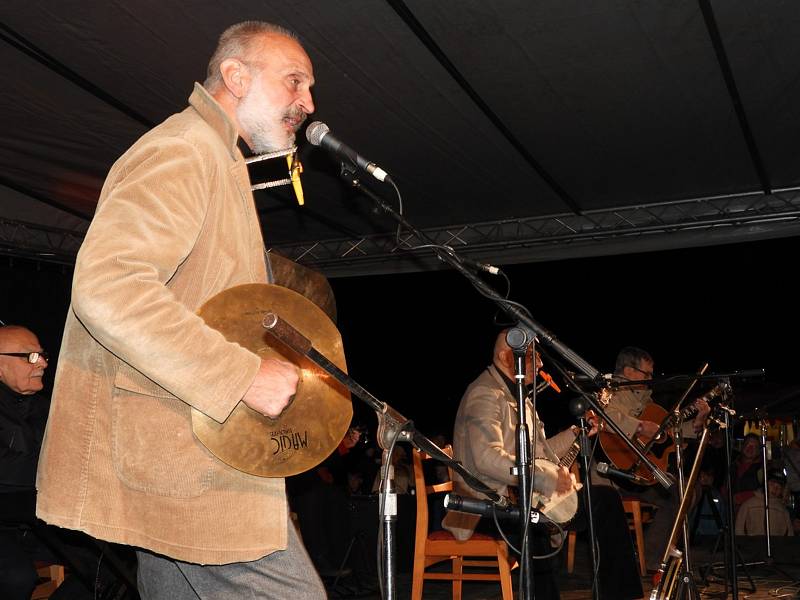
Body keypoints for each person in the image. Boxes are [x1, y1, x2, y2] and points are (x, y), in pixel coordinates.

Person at [35, 21, 326, 599]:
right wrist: (242, 374)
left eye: (310, 88)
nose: (308, 102)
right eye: (295, 80)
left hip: (180, 452)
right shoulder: (184, 149)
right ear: (236, 76)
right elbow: (109, 286)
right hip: (184, 462)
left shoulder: (217, 158)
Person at [443, 330, 643, 600]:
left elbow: (539, 452)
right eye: (533, 358)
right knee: (534, 524)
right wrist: (545, 479)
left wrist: (575, 433)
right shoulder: (484, 393)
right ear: (506, 357)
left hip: (516, 497)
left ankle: (619, 594)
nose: (539, 365)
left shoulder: (519, 397)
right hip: (483, 505)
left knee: (604, 499)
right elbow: (487, 459)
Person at [601, 346, 709, 572]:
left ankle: (662, 557)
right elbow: (605, 417)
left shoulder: (648, 403)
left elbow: (669, 431)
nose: (651, 379)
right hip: (614, 473)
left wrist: (699, 420)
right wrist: (639, 426)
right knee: (681, 492)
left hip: (643, 472)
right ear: (629, 371)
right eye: (646, 373)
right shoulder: (611, 392)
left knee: (687, 489)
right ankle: (655, 560)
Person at [0, 325, 50, 599]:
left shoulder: (46, 406)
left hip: (34, 522)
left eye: (42, 355)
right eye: (29, 357)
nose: (42, 363)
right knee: (17, 577)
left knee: (113, 561)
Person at [734, 468, 794, 536]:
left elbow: (789, 534)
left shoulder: (783, 510)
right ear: (764, 483)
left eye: (779, 487)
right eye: (772, 484)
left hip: (776, 546)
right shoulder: (748, 505)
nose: (775, 489)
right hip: (752, 545)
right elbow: (739, 529)